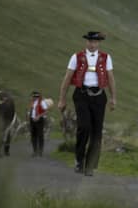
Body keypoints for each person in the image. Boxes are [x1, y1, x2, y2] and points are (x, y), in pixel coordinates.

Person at [57, 31, 116, 176]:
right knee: (84, 127)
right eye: (90, 41)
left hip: (99, 96)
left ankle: (90, 165)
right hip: (81, 95)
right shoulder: (76, 57)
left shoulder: (106, 58)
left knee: (97, 132)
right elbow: (67, 78)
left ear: (99, 43)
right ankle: (79, 160)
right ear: (86, 42)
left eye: (95, 42)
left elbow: (111, 78)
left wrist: (113, 98)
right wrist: (62, 99)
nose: (92, 44)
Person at [28, 91, 49, 157]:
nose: (32, 98)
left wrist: (38, 116)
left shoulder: (41, 102)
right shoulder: (32, 103)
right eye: (32, 97)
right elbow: (31, 111)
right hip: (32, 120)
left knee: (40, 136)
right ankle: (35, 151)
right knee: (33, 136)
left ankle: (40, 151)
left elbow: (46, 111)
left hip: (39, 120)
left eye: (33, 96)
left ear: (36, 97)